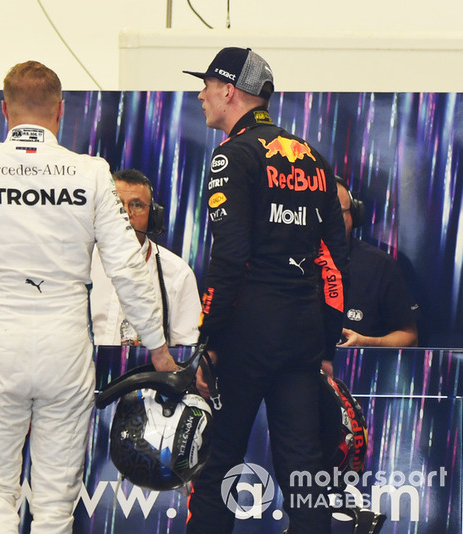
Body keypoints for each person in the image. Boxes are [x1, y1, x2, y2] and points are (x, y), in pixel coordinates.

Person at [0, 60, 178, 533]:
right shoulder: (91, 173)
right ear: (60, 111)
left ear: (5, 110)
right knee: (55, 503)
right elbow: (129, 270)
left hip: (0, 345)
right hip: (65, 346)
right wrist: (157, 346)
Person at [184, 47, 348, 534]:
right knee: (304, 472)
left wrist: (207, 338)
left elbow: (229, 258)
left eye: (207, 85)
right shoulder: (314, 159)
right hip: (301, 336)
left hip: (245, 334)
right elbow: (334, 262)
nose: (200, 95)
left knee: (216, 469)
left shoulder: (232, 156)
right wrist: (326, 340)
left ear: (229, 90)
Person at [89, 168, 200, 345]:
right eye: (116, 203)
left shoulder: (178, 273)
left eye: (137, 204)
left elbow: (185, 349)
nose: (125, 213)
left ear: (154, 215)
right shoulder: (79, 263)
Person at [335, 177, 419, 347]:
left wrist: (368, 343)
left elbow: (410, 337)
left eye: (338, 212)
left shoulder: (380, 265)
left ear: (355, 215)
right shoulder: (284, 261)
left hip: (357, 371)